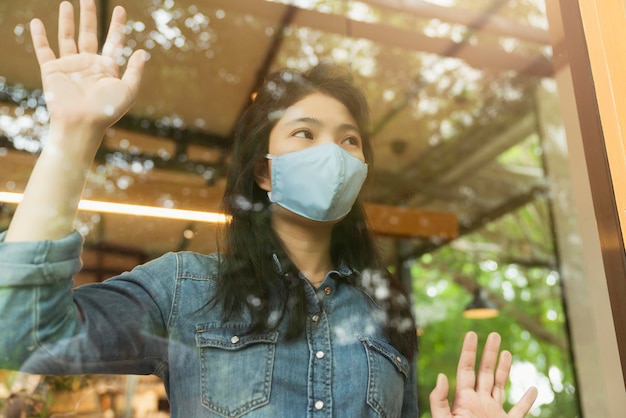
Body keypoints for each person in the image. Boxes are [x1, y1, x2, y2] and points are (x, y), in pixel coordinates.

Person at [0, 0, 538, 417]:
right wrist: (72, 136)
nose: (333, 153)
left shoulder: (386, 307)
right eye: (305, 133)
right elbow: (22, 334)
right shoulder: (186, 288)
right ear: (264, 170)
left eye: (349, 141)